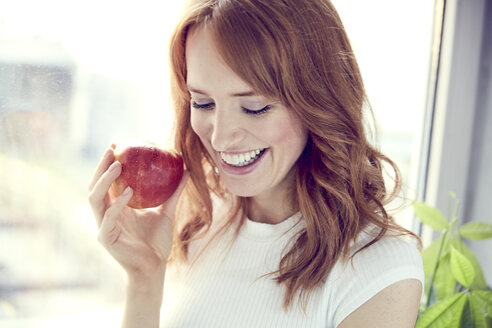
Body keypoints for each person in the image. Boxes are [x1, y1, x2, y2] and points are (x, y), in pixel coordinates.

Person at [88, 0, 425, 327]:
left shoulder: (379, 270)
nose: (219, 138)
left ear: (319, 101)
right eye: (203, 103)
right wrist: (144, 280)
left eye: (254, 107)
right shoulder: (197, 224)